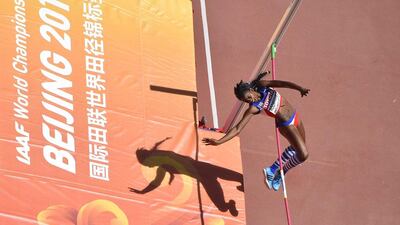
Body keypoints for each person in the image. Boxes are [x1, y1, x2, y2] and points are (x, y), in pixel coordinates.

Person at [202, 72, 310, 191]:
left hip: (294, 116)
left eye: (248, 97)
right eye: (246, 100)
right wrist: (219, 142)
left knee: (298, 148)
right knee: (303, 155)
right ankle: (279, 171)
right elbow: (238, 128)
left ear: (251, 89)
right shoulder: (254, 107)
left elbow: (282, 83)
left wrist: (299, 88)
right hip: (286, 126)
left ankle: (273, 169)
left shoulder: (262, 86)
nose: (249, 100)